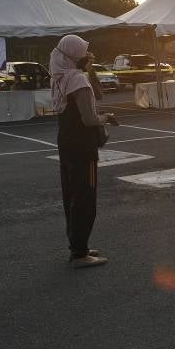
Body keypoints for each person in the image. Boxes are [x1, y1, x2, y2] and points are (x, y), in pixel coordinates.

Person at [51, 35, 115, 267]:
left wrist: (87, 69)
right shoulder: (77, 79)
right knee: (85, 197)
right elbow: (89, 119)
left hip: (66, 142)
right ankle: (80, 252)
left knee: (72, 195)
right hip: (83, 146)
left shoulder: (59, 77)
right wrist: (105, 118)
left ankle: (79, 244)